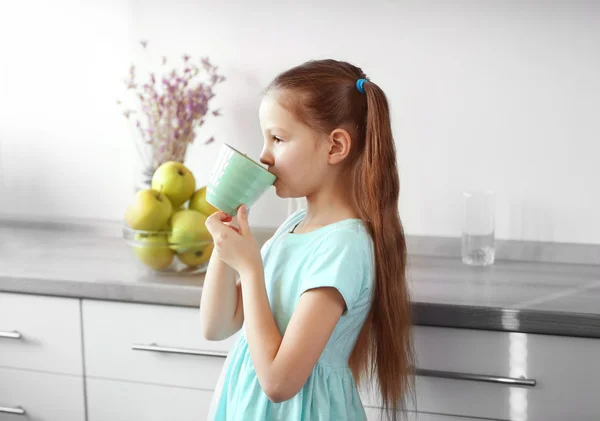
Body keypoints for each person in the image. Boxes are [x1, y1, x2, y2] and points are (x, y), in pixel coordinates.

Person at [200, 59, 415, 421]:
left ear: (335, 147)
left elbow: (279, 382)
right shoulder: (293, 227)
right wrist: (226, 245)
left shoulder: (343, 246)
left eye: (278, 138)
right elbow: (216, 326)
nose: (264, 156)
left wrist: (251, 270)